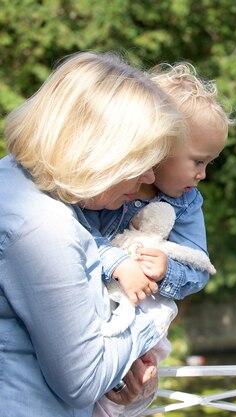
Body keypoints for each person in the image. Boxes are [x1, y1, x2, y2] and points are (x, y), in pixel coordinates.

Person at [0, 51, 188, 417]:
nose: (150, 179)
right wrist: (157, 315)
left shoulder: (21, 185)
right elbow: (83, 381)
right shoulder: (43, 228)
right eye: (142, 163)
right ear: (100, 153)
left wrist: (126, 377)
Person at [85, 63, 236, 417]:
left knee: (135, 385)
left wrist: (166, 271)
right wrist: (117, 263)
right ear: (160, 144)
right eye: (198, 161)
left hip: (142, 318)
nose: (202, 175)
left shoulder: (185, 203)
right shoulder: (108, 182)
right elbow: (78, 237)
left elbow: (199, 266)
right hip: (90, 309)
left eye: (209, 164)